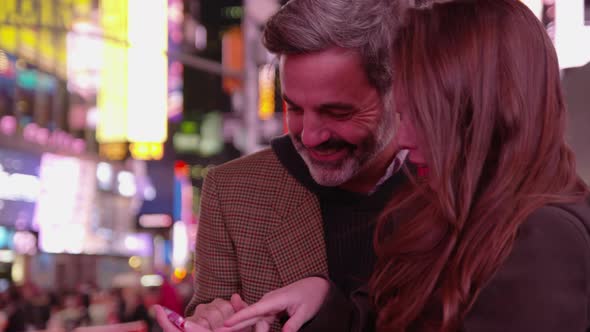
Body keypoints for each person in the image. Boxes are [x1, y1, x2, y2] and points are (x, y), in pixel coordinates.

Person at [221, 0, 590, 331]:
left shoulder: (543, 238)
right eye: (400, 114)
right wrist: (325, 304)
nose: (405, 139)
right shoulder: (450, 212)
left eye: (417, 116)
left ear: (480, 115)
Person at [171, 0, 409, 331]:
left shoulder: (461, 186)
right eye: (294, 108)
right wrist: (214, 320)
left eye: (338, 112)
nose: (310, 137)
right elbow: (211, 309)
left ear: (399, 91)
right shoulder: (234, 194)